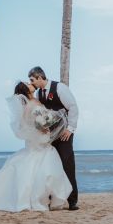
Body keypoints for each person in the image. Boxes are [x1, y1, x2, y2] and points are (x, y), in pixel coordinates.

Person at [0, 82, 73, 211]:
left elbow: (30, 124)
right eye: (28, 83)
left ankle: (40, 198)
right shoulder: (33, 105)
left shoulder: (29, 104)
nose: (31, 83)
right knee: (42, 169)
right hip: (40, 142)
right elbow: (39, 123)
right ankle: (35, 199)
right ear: (26, 90)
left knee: (33, 168)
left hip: (36, 142)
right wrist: (48, 123)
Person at [28, 66, 79, 210]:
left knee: (67, 164)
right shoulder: (39, 95)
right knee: (51, 167)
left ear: (39, 77)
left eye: (32, 80)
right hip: (50, 136)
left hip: (64, 134)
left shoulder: (59, 88)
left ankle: (73, 201)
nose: (31, 83)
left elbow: (73, 107)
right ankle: (52, 199)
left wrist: (70, 129)